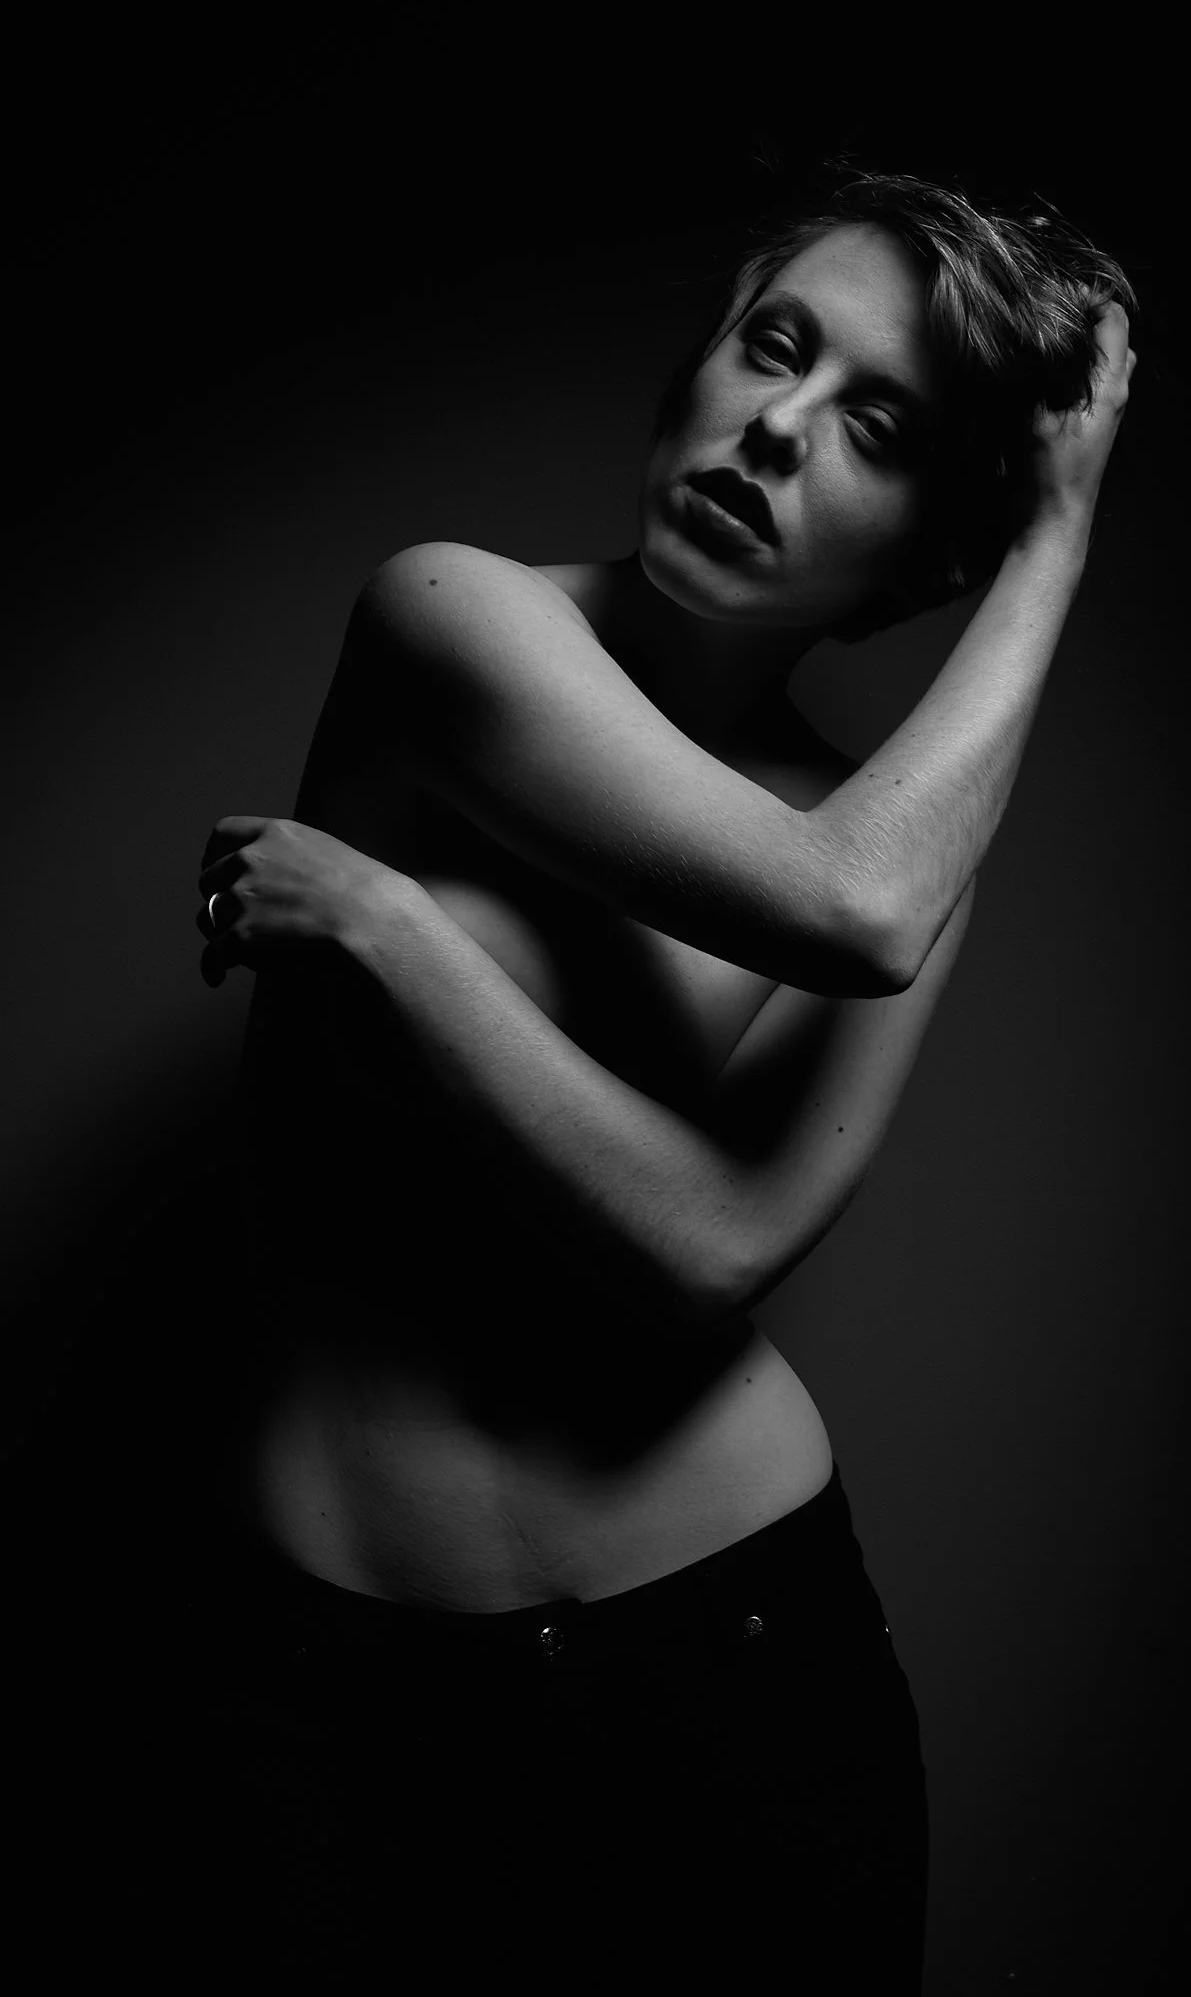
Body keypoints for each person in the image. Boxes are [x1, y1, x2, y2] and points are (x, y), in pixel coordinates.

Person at [186, 157, 1136, 1981]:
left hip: (736, 1656)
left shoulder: (896, 847)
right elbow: (847, 916)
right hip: (341, 1685)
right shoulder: (453, 615)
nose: (779, 428)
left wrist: (399, 938)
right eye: (771, 347)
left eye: (877, 423)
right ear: (695, 366)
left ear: (939, 547)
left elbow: (711, 1245)